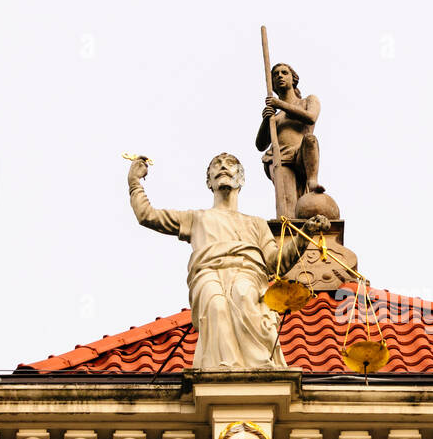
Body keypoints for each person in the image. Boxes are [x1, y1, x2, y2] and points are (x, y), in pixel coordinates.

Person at [127, 153, 325, 370]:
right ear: (208, 182)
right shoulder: (197, 218)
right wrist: (135, 182)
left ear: (240, 180)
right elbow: (147, 215)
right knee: (216, 305)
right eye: (216, 165)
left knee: (243, 294)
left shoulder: (256, 224)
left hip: (248, 275)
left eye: (230, 164)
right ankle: (222, 369)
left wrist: (303, 236)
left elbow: (274, 262)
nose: (222, 167)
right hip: (208, 273)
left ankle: (259, 366)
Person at [254, 62, 321, 219]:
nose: (279, 76)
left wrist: (280, 104)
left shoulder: (307, 101)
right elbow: (260, 144)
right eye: (276, 74)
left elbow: (311, 117)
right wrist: (266, 120)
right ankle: (289, 237)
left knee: (310, 140)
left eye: (284, 73)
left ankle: (312, 181)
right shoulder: (275, 118)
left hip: (301, 155)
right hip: (280, 158)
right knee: (288, 208)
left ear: (293, 79)